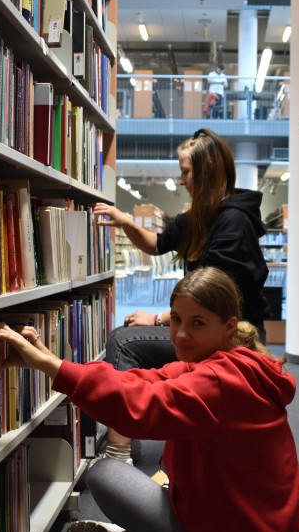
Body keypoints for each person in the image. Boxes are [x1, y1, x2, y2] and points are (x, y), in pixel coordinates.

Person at [0, 267, 299, 532]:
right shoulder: (242, 364)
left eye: (197, 323)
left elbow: (138, 407)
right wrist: (51, 361)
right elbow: (141, 381)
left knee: (105, 474)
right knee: (166, 480)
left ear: (228, 326)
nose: (181, 334)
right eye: (176, 319)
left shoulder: (214, 383)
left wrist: (51, 369)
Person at [90, 128, 269, 463]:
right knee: (127, 336)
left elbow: (212, 296)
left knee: (125, 342)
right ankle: (128, 434)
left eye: (186, 171)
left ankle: (118, 450)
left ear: (206, 173)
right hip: (203, 326)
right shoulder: (200, 218)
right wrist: (125, 221)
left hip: (235, 334)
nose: (182, 178)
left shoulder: (231, 221)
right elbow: (157, 244)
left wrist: (160, 318)